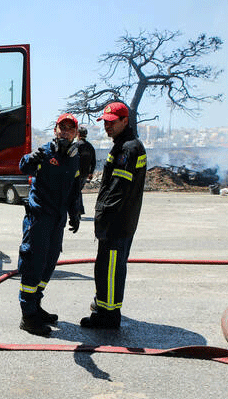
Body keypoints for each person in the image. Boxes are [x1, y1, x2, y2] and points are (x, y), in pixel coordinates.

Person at [80, 101, 146, 329]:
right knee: (107, 266)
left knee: (109, 269)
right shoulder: (124, 145)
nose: (107, 127)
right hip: (121, 220)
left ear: (124, 121)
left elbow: (116, 190)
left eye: (111, 123)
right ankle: (104, 305)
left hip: (117, 221)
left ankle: (108, 316)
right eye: (105, 123)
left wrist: (102, 217)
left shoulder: (127, 149)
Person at [17, 113, 82, 336]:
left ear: (75, 133)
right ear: (55, 130)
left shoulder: (74, 156)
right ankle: (28, 316)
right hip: (39, 217)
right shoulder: (45, 151)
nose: (65, 132)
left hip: (58, 219)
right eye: (61, 128)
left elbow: (75, 187)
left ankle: (36, 305)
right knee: (34, 263)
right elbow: (23, 166)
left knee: (49, 263)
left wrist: (75, 212)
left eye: (69, 129)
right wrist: (33, 156)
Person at [77, 126, 96, 215]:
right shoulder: (90, 146)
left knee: (76, 191)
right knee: (78, 190)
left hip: (76, 173)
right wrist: (91, 172)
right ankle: (79, 210)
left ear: (78, 134)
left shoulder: (77, 145)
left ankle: (79, 210)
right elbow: (94, 161)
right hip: (85, 174)